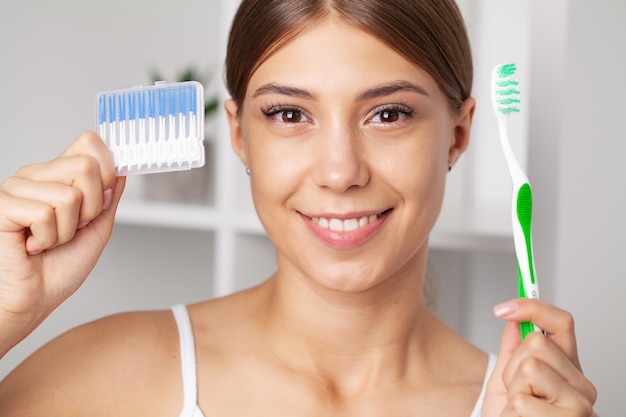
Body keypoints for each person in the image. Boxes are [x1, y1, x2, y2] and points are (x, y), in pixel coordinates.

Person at [0, 0, 597, 415]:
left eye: (388, 114)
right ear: (238, 136)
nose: (340, 172)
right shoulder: (110, 375)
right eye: (290, 114)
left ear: (458, 135)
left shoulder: (528, 406)